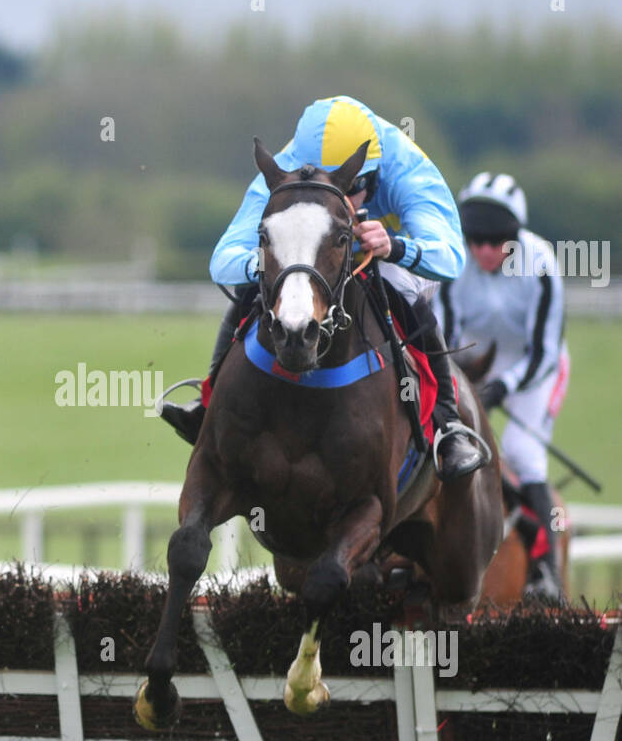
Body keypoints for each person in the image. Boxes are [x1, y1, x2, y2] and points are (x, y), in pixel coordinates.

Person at [159, 95, 489, 481]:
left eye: (351, 189)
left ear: (373, 174)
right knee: (266, 277)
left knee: (396, 283)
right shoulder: (287, 164)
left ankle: (449, 426)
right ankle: (207, 404)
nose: (340, 203)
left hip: (394, 249)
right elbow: (224, 258)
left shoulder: (408, 169)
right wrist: (267, 264)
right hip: (317, 255)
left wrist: (395, 246)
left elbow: (450, 258)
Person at [436, 172, 569, 599]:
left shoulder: (542, 264)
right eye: (476, 241)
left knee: (522, 453)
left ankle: (546, 571)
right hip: (471, 363)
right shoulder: (453, 263)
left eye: (496, 242)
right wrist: (470, 382)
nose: (485, 251)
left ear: (516, 235)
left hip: (535, 369)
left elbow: (545, 352)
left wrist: (502, 388)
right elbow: (445, 335)